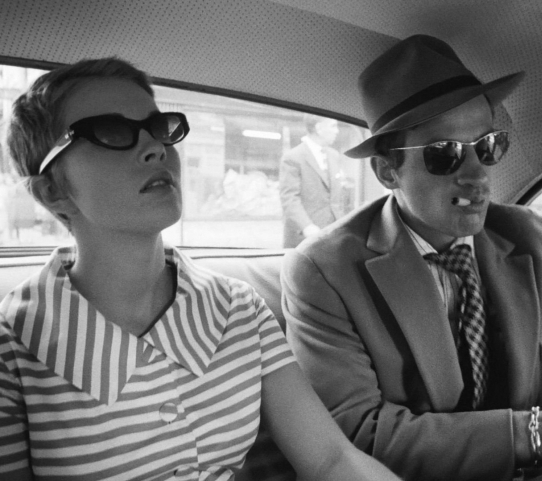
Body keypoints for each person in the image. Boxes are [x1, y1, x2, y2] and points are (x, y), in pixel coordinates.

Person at [0, 57, 402, 481]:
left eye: (159, 128)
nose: (157, 148)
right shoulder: (14, 346)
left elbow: (331, 459)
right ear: (52, 191)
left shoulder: (238, 308)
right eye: (111, 132)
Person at [281, 34, 542, 480]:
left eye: (488, 146)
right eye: (444, 154)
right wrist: (537, 433)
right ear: (388, 171)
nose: (478, 176)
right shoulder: (324, 271)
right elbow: (357, 438)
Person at [279, 114, 345, 247]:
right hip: (304, 239)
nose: (337, 131)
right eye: (333, 126)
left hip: (333, 234)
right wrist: (306, 226)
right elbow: (289, 198)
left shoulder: (334, 156)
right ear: (319, 128)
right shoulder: (293, 158)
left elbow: (337, 199)